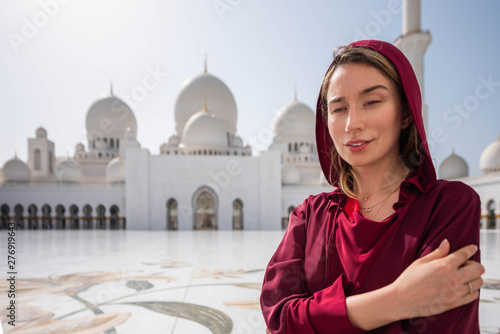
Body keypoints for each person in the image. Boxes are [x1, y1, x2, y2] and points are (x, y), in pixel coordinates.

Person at [260, 40, 485, 333]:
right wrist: (397, 300)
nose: (352, 124)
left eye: (372, 102)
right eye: (338, 108)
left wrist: (318, 315)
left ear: (406, 112)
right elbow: (279, 319)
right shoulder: (310, 216)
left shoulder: (448, 206)